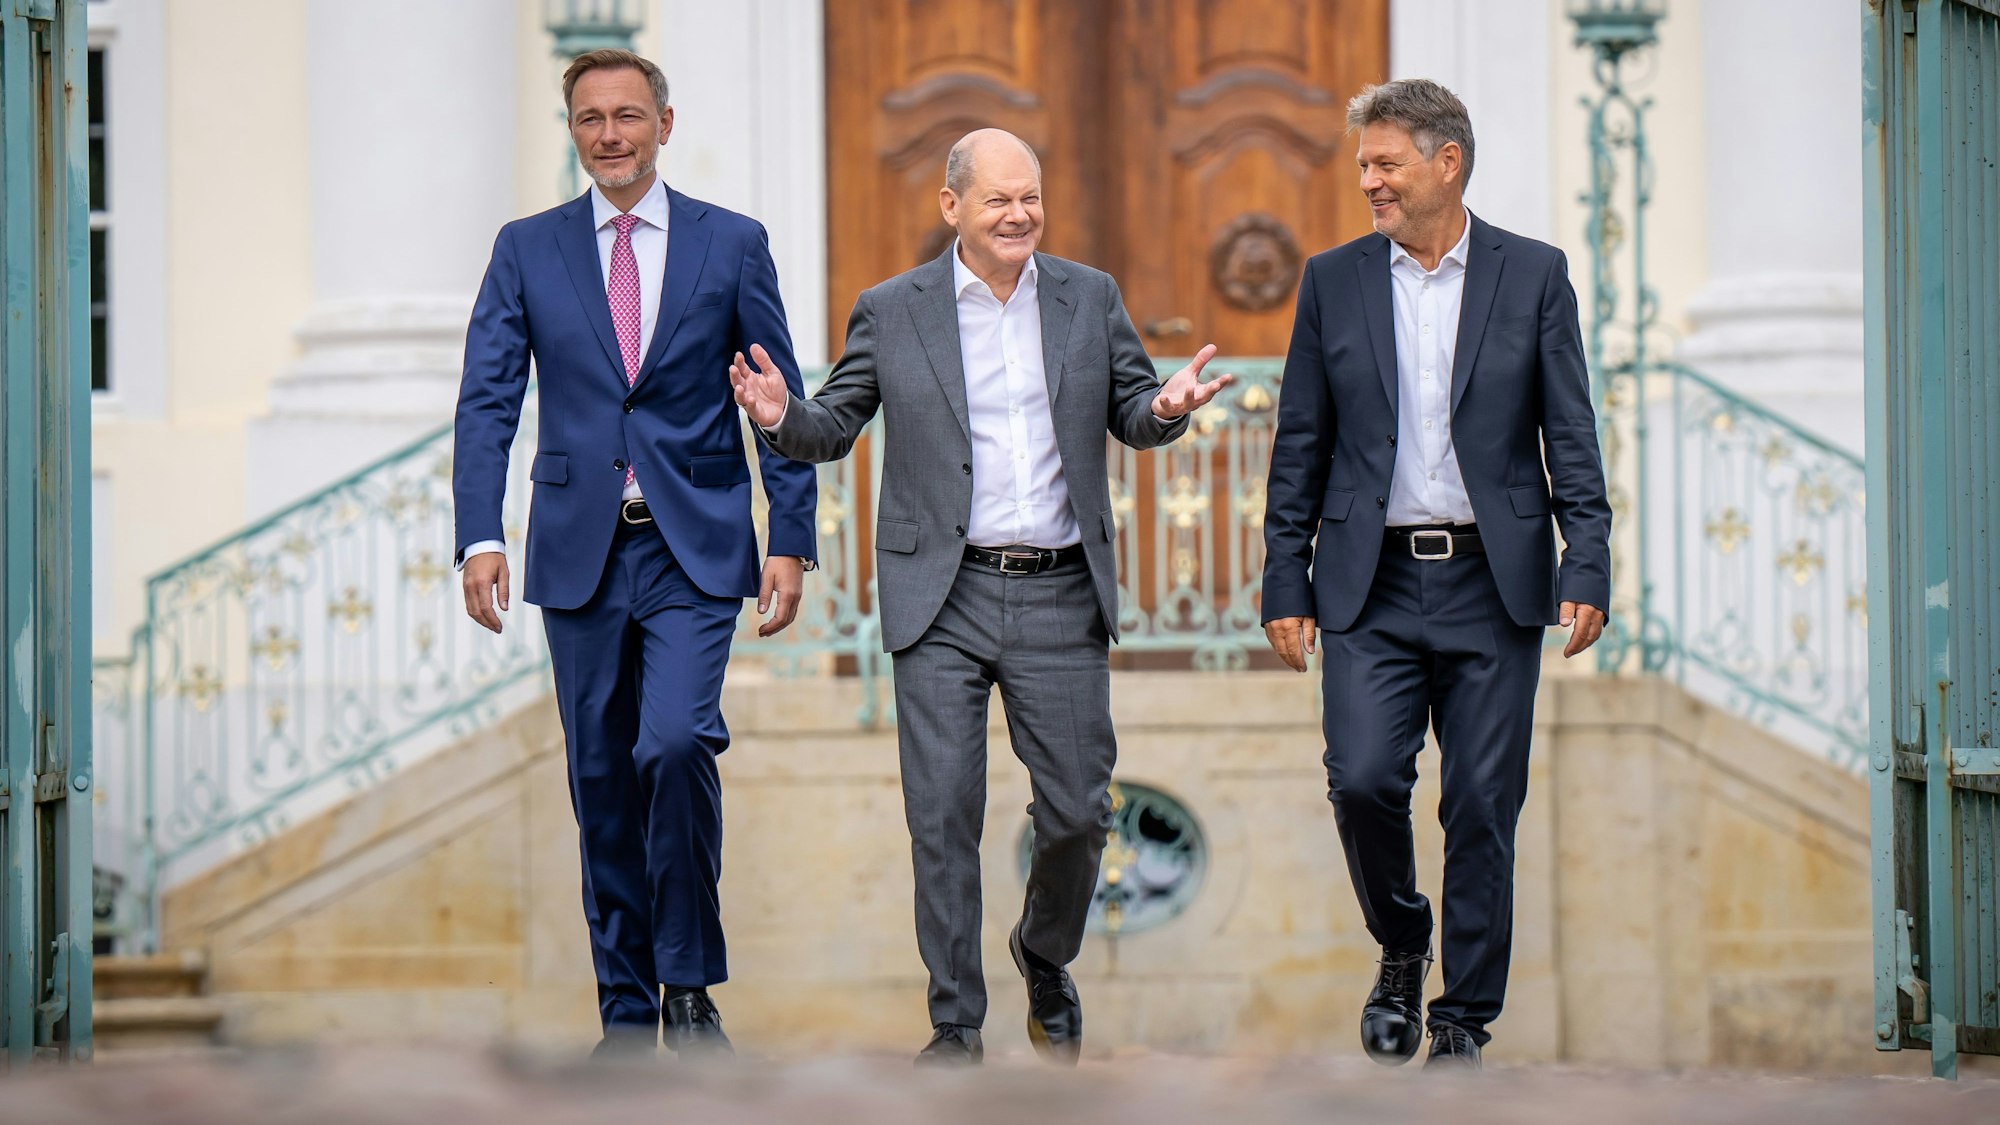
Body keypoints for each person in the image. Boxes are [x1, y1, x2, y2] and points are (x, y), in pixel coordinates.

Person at [729, 128, 1230, 1067]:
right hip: (940, 597)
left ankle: (1044, 952)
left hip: (1058, 593)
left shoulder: (1089, 297)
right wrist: (780, 419)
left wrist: (1163, 409)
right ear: (952, 207)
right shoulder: (892, 308)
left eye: (1031, 197)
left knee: (1080, 811)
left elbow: (1130, 406)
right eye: (999, 199)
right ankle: (955, 1023)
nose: (1019, 214)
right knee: (942, 815)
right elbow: (835, 423)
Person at [453, 48, 818, 1058]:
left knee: (674, 743)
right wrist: (479, 532)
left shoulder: (730, 243)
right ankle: (625, 1015)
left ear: (663, 119)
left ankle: (689, 986)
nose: (608, 135)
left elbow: (773, 396)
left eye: (625, 115)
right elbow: (488, 398)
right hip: (577, 554)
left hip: (691, 548)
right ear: (571, 130)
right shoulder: (526, 248)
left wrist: (789, 536)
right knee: (602, 783)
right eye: (588, 120)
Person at [1260, 79, 1611, 1072]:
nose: (1366, 181)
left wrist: (1585, 557)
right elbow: (1299, 445)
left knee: (1481, 806)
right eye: (1363, 165)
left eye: (1383, 164)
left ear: (1443, 161)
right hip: (1366, 586)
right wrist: (1283, 579)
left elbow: (1569, 437)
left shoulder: (1531, 276)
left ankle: (1461, 1020)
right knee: (1362, 779)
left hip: (1489, 584)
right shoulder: (1333, 281)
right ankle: (1401, 941)